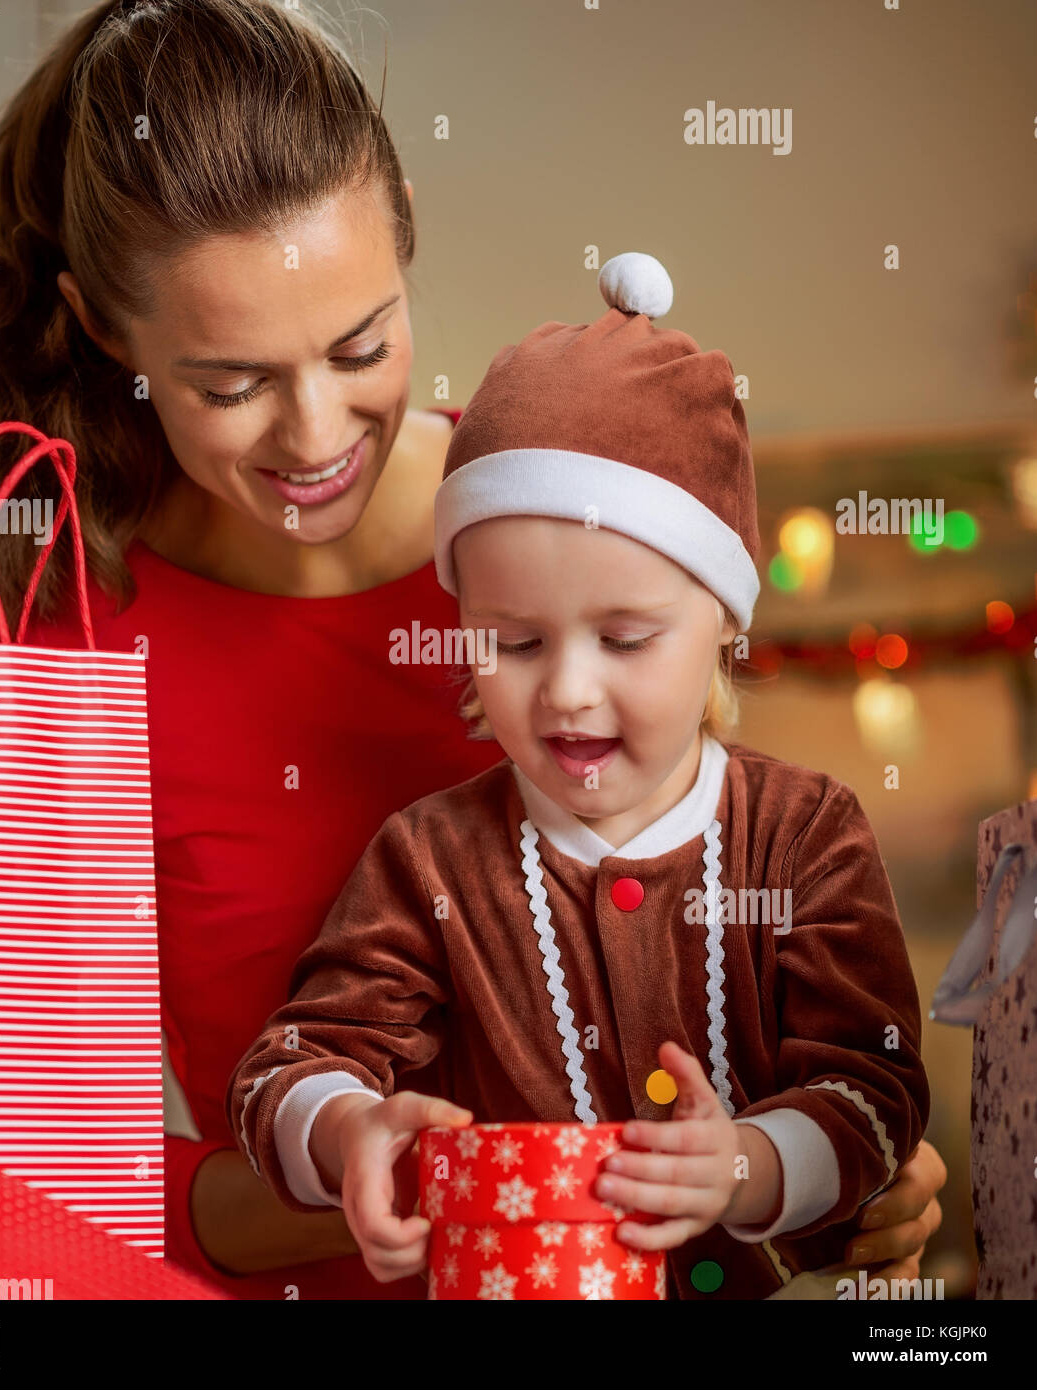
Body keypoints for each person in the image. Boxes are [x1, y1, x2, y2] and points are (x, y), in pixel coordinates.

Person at [0, 0, 945, 1299]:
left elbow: (726, 926)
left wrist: (822, 1165)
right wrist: (427, 1184)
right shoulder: (60, 647)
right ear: (108, 333)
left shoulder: (559, 507)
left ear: (399, 218)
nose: (316, 430)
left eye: (360, 345)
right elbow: (54, 1177)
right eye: (232, 384)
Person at [232, 253, 934, 1300]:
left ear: (722, 619)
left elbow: (875, 1089)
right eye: (514, 643)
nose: (566, 691)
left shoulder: (804, 833)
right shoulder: (434, 857)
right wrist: (347, 1132)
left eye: (624, 637)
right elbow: (288, 1064)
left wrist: (746, 1166)